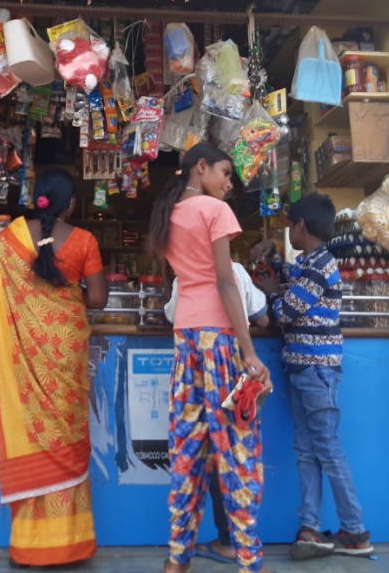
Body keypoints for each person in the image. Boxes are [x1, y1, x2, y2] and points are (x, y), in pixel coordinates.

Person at [0, 167, 108, 567]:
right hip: (66, 353)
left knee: (32, 434)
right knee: (65, 437)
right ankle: (69, 543)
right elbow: (97, 299)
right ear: (71, 204)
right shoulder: (83, 240)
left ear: (38, 200)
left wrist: (22, 290)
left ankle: (31, 544)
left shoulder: (12, 234)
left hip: (26, 352)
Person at [147, 143, 273, 573]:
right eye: (224, 173)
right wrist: (251, 352)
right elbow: (224, 283)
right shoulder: (214, 211)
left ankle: (177, 560)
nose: (228, 184)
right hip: (219, 343)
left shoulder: (168, 214)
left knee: (187, 451)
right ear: (201, 167)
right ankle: (251, 561)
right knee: (238, 452)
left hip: (186, 343)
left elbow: (188, 282)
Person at [251, 192, 373, 560]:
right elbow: (291, 273)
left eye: (289, 226)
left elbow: (287, 310)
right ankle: (310, 527)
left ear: (301, 226)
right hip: (305, 370)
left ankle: (354, 530)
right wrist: (272, 254)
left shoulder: (321, 267)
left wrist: (272, 293)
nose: (288, 231)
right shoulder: (310, 262)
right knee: (307, 450)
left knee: (328, 450)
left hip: (317, 372)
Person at [164, 261, 271, 566]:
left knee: (186, 462)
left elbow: (171, 314)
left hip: (187, 367)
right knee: (240, 464)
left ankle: (177, 560)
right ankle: (250, 562)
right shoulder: (233, 270)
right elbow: (262, 317)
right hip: (228, 367)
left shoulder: (183, 275)